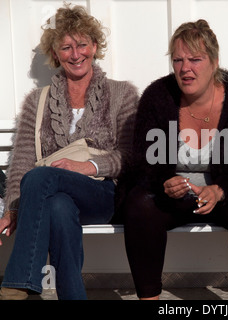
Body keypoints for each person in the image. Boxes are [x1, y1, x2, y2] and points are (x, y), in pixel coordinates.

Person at [120, 19, 228, 300]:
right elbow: (145, 161)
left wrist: (219, 189)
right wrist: (165, 182)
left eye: (195, 59)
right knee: (140, 204)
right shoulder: (158, 96)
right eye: (178, 60)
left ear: (214, 62)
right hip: (176, 195)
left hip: (226, 192)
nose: (185, 68)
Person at [0, 4, 139, 300]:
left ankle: (19, 283)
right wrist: (14, 208)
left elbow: (131, 157)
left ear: (95, 46)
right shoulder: (37, 102)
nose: (76, 54)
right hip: (53, 196)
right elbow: (21, 162)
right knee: (58, 206)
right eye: (66, 47)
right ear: (55, 55)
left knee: (40, 178)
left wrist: (88, 167)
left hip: (104, 194)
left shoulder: (122, 94)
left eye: (82, 45)